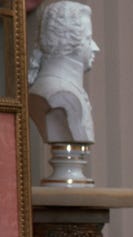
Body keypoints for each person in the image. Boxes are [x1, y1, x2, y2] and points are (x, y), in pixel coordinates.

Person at [27, 0, 99, 144]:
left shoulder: (54, 89)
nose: (96, 47)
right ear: (68, 41)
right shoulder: (60, 95)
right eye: (88, 39)